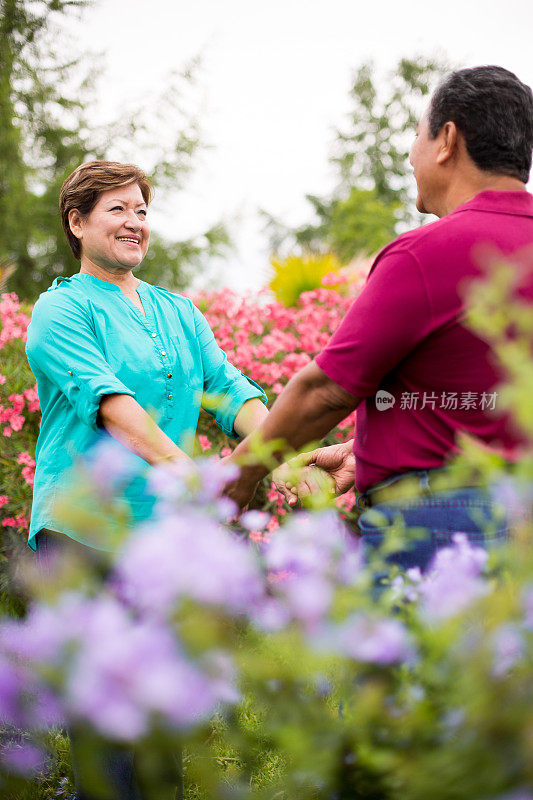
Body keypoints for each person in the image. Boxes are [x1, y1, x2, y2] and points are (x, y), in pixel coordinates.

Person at [25, 159, 272, 799]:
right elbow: (113, 408)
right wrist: (193, 478)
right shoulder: (62, 309)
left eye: (141, 210)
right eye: (118, 210)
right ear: (77, 224)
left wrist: (282, 445)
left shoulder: (179, 312)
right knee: (109, 736)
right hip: (85, 538)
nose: (135, 223)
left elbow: (228, 392)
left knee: (164, 721)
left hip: (164, 542)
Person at [225, 65, 533, 572]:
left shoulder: (426, 253)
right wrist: (365, 449)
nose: (411, 155)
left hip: (436, 526)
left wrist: (239, 476)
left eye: (416, 135)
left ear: (446, 141)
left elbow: (325, 390)